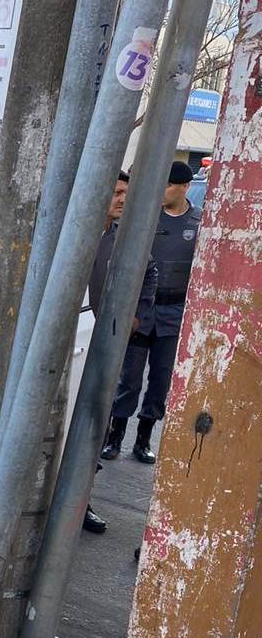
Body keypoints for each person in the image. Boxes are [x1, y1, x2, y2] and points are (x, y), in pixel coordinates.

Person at [101, 161, 201, 464]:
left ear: (183, 187)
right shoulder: (142, 219)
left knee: (161, 377)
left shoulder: (199, 222)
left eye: (168, 185)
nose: (162, 191)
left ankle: (144, 437)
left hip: (174, 312)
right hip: (143, 309)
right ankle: (115, 435)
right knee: (129, 376)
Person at [81, 170, 158, 533]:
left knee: (96, 426)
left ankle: (80, 503)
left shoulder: (126, 239)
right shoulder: (75, 238)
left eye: (126, 192)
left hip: (107, 347)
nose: (122, 199)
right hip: (71, 351)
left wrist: (137, 316)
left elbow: (150, 274)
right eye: (115, 193)